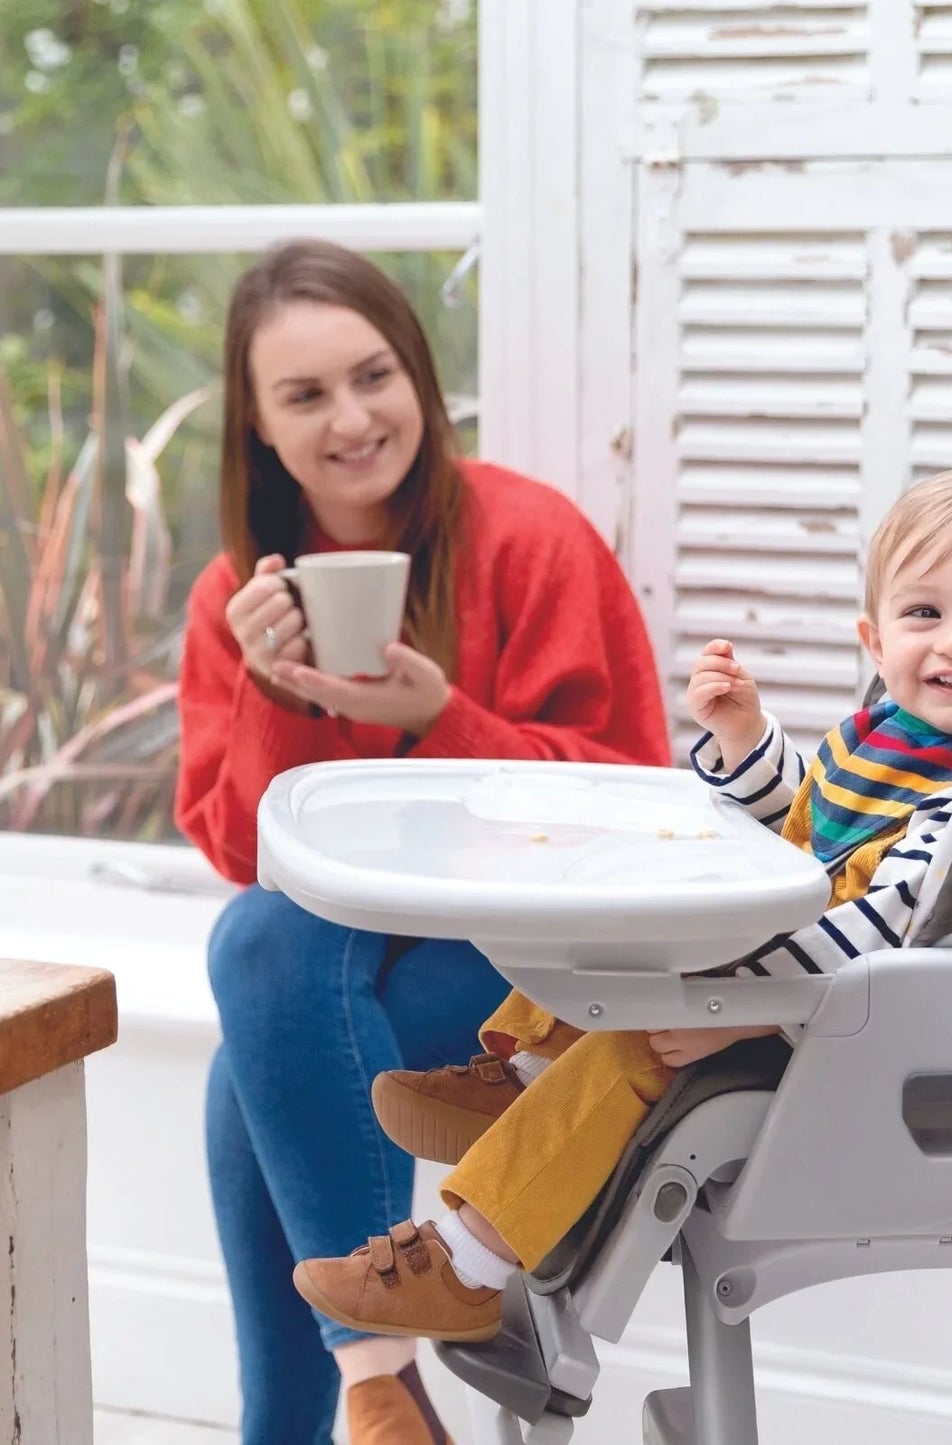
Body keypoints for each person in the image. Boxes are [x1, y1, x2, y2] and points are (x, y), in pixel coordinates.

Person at [288, 467, 952, 1344]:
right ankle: (521, 1077)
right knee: (616, 915)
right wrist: (744, 740)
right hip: (771, 975)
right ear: (874, 639)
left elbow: (873, 931)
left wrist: (736, 1008)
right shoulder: (889, 735)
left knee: (630, 1045)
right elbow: (805, 816)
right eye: (924, 614)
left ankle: (462, 1265)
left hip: (821, 1027)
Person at [175, 238, 670, 1445]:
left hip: (537, 969)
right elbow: (252, 855)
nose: (351, 418)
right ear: (259, 426)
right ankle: (380, 1384)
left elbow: (638, 802)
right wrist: (274, 689)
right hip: (354, 961)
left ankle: (352, 1388)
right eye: (304, 395)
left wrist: (439, 722)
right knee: (260, 954)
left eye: (373, 375)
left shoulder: (529, 536)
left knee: (254, 1058)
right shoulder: (237, 595)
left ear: (419, 380)